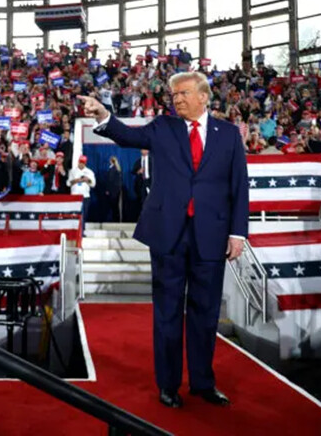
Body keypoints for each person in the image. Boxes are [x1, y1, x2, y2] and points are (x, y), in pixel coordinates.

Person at [78, 70, 249, 409]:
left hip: (211, 236)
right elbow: (126, 136)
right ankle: (168, 385)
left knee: (205, 313)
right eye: (174, 95)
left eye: (183, 93)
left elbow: (238, 186)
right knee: (168, 312)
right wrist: (103, 116)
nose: (177, 99)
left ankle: (202, 382)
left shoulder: (229, 135)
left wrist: (237, 232)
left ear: (204, 96)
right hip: (168, 234)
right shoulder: (162, 127)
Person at [67, 155, 95, 234]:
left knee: (84, 214)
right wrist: (76, 180)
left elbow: (93, 184)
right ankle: (74, 231)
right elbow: (68, 183)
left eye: (83, 163)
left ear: (85, 163)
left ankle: (82, 231)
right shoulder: (73, 171)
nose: (81, 164)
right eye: (80, 162)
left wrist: (87, 180)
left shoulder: (89, 172)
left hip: (85, 196)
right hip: (75, 195)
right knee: (74, 214)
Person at [105, 156, 123, 222]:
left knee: (114, 206)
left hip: (113, 191)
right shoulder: (118, 169)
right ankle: (117, 219)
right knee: (116, 206)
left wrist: (107, 189)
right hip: (117, 191)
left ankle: (115, 220)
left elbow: (110, 180)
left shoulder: (112, 169)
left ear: (111, 161)